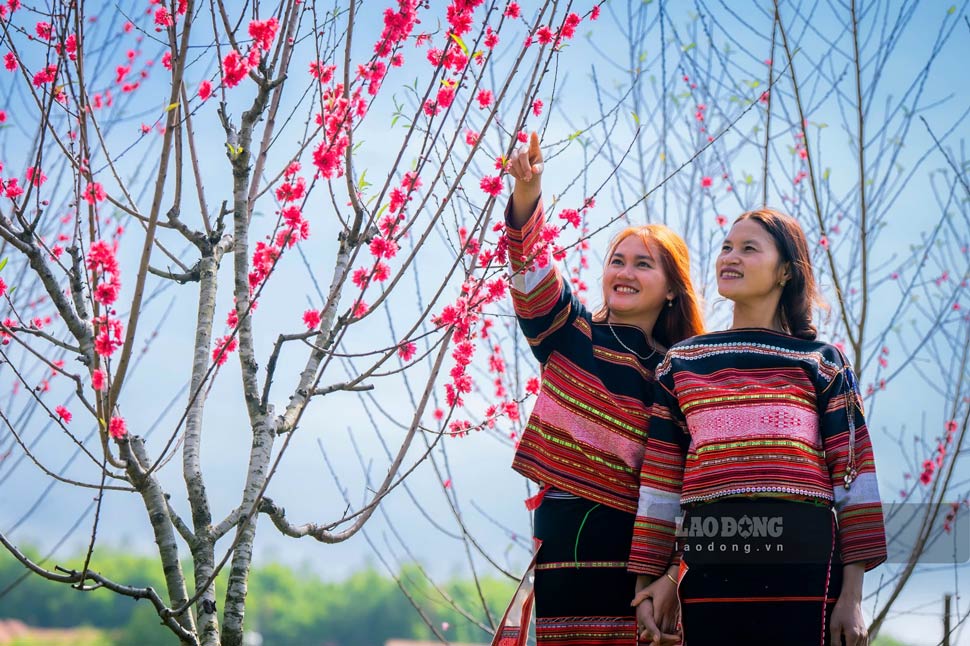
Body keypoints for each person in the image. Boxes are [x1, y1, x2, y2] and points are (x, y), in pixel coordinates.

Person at [628, 208, 887, 646]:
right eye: (727, 247)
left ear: (786, 270)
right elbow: (661, 482)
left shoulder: (821, 362)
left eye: (749, 248)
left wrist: (853, 597)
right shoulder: (683, 363)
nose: (731, 256)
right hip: (709, 556)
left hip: (803, 563)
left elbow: (855, 478)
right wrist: (649, 585)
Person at [502, 132, 705, 644]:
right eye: (618, 260)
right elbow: (529, 272)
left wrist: (669, 574)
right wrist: (528, 190)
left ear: (673, 287)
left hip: (636, 554)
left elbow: (687, 485)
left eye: (643, 264)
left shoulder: (680, 375)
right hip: (562, 538)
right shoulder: (572, 335)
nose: (625, 272)